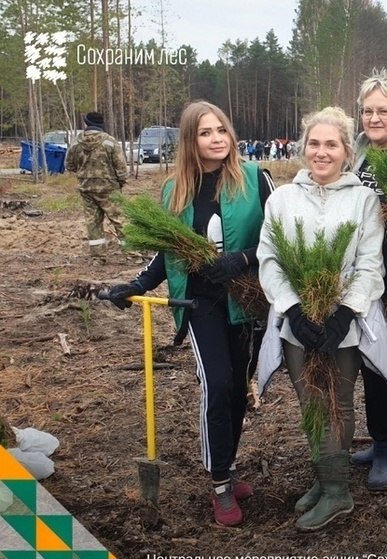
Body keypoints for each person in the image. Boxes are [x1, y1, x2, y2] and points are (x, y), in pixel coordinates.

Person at [104, 101, 275, 527]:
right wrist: (139, 284)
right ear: (190, 140)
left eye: (222, 129)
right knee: (216, 384)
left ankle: (228, 466)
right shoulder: (174, 190)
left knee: (237, 388)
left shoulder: (256, 178)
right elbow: (169, 250)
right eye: (205, 132)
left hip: (247, 302)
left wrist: (244, 258)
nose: (217, 138)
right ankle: (219, 484)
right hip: (199, 304)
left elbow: (279, 235)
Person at [256, 106, 386, 531]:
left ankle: (338, 492)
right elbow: (270, 259)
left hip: (343, 323)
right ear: (303, 147)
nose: (322, 152)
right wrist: (292, 308)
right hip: (297, 320)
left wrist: (346, 313)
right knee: (310, 402)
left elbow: (369, 263)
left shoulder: (363, 200)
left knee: (337, 403)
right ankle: (324, 477)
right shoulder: (282, 199)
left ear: (347, 151)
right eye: (315, 143)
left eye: (331, 144)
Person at [349, 68, 387, 491]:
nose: (373, 119)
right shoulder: (359, 151)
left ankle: (386, 445)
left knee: (382, 363)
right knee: (366, 358)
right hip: (359, 271)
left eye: (383, 111)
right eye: (367, 110)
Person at [65, 111, 128, 263]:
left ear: (86, 124)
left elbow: (69, 165)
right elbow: (121, 167)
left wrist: (84, 175)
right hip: (110, 189)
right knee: (120, 221)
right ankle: (133, 255)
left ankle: (98, 258)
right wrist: (120, 183)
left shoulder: (75, 143)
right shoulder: (110, 142)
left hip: (87, 189)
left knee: (93, 223)